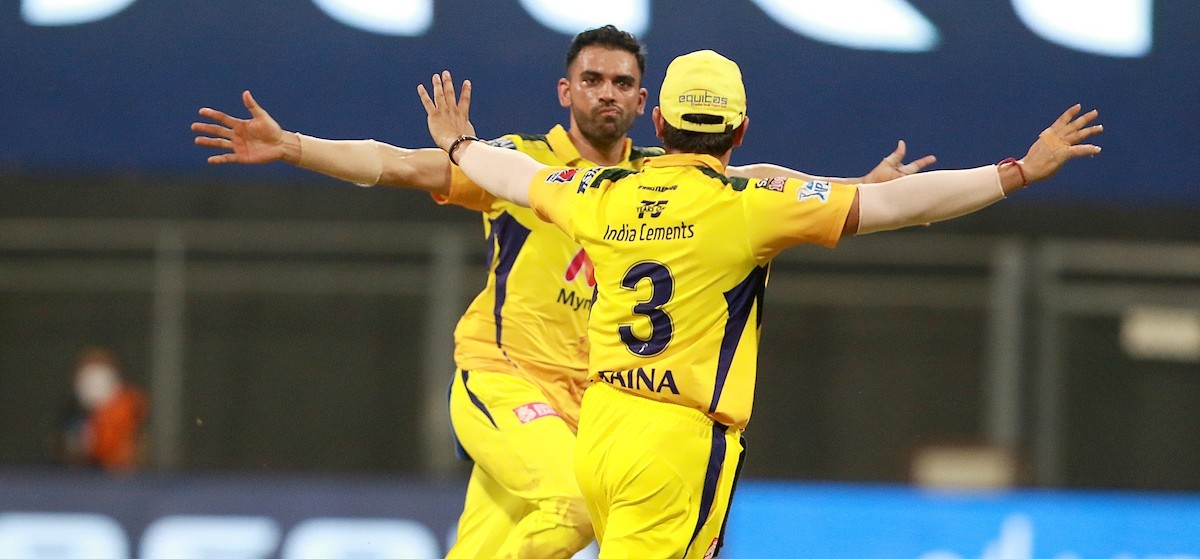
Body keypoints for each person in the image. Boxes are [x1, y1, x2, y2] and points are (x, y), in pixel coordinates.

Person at [192, 26, 932, 558]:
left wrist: (859, 190)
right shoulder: (518, 164)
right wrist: (293, 147)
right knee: (574, 506)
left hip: (596, 405)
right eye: (593, 79)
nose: (606, 93)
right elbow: (399, 164)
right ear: (565, 90)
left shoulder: (662, 181)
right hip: (505, 380)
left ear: (645, 103)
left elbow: (760, 185)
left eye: (621, 83)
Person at [417, 48, 1102, 558]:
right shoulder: (750, 206)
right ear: (740, 130)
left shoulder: (599, 192)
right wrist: (1017, 171)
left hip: (600, 425)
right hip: (676, 440)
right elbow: (902, 204)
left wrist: (459, 141)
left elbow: (514, 174)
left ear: (658, 119)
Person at [52, 346, 149, 472]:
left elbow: (135, 456)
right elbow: (65, 454)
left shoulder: (130, 406)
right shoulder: (70, 412)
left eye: (101, 369)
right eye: (89, 371)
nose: (95, 380)